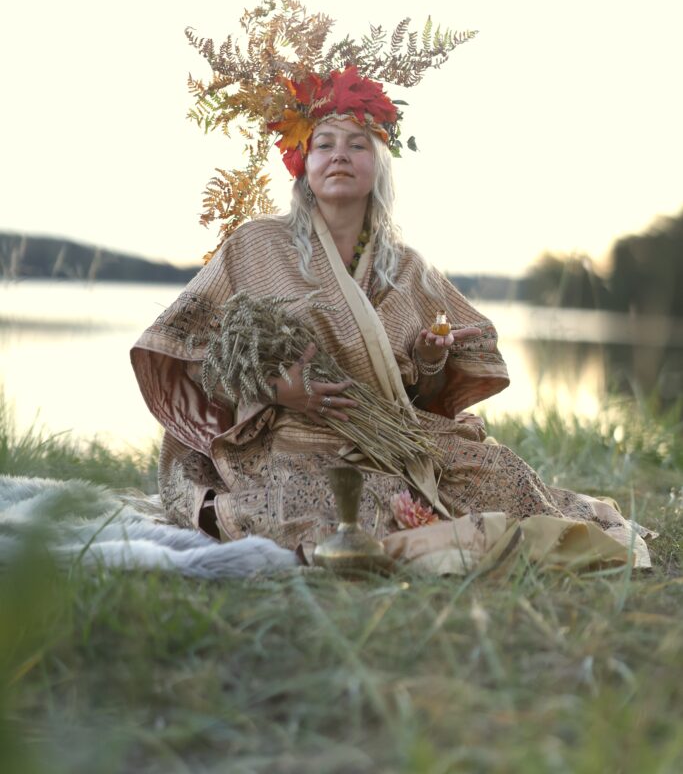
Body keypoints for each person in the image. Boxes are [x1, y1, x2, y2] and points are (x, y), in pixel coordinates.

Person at [131, 55, 654, 571]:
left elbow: (427, 398)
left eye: (357, 144)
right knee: (345, 504)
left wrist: (428, 360)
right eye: (324, 144)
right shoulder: (255, 246)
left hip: (397, 437)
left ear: (379, 164)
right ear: (302, 165)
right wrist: (276, 390)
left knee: (505, 475)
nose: (339, 155)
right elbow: (184, 352)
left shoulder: (407, 269)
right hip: (289, 437)